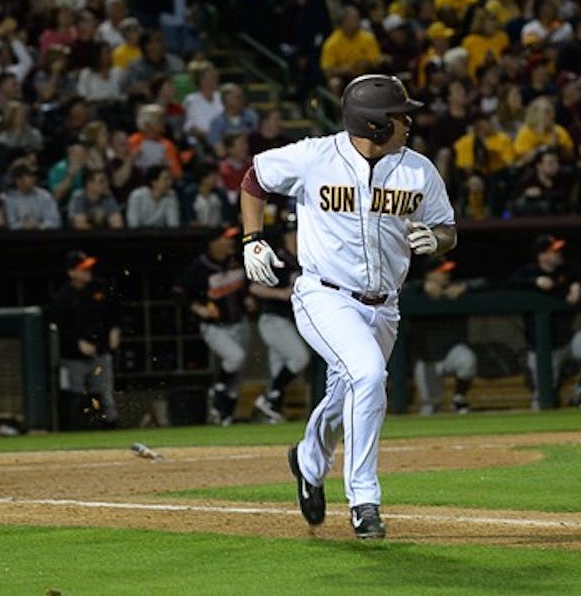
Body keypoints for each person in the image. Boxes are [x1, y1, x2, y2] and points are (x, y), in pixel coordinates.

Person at [240, 74, 456, 539]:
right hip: (324, 294)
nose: (408, 121)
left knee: (349, 394)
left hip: (385, 306)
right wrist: (252, 239)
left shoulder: (418, 169)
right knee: (368, 375)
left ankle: (307, 460)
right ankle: (364, 499)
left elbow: (447, 228)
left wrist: (435, 240)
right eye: (400, 115)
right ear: (375, 124)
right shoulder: (316, 156)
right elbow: (255, 178)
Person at [509, 235, 581, 409]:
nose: (559, 254)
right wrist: (534, 281)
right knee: (543, 401)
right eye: (553, 251)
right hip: (542, 351)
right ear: (542, 256)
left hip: (567, 340)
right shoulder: (529, 272)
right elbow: (507, 283)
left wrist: (578, 284)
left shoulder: (567, 269)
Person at [172, 227, 251, 427]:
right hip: (214, 326)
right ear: (213, 243)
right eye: (225, 239)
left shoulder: (236, 260)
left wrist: (249, 298)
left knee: (238, 373)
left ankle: (225, 415)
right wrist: (197, 307)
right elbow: (179, 292)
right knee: (236, 358)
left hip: (240, 323)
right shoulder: (199, 266)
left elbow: (248, 285)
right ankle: (218, 387)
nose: (229, 242)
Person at [247, 216, 310, 423]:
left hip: (289, 321)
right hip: (273, 319)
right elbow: (253, 287)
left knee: (279, 369)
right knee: (299, 358)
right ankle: (267, 399)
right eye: (291, 235)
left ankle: (270, 411)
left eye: (298, 234)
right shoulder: (278, 259)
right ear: (285, 238)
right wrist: (281, 293)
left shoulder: (306, 260)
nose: (295, 239)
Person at [49, 251, 122, 427]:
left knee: (104, 395)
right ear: (71, 272)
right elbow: (59, 327)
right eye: (83, 269)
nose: (88, 272)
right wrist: (77, 342)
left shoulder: (100, 288)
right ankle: (77, 431)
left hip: (100, 351)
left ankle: (109, 430)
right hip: (74, 357)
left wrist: (115, 329)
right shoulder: (63, 297)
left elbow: (115, 311)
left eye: (88, 268)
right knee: (76, 396)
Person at [409, 258, 477, 415]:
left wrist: (464, 287)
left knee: (467, 360)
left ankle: (459, 397)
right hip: (427, 359)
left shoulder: (455, 287)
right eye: (442, 272)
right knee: (430, 408)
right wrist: (422, 287)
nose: (447, 275)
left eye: (447, 271)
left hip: (451, 351)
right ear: (429, 275)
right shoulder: (416, 290)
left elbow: (487, 283)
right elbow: (400, 291)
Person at [1, 157, 61, 230]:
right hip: (17, 239)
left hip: (42, 237)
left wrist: (38, 226)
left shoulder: (45, 196)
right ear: (18, 179)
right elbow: (10, 225)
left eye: (34, 175)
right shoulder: (7, 198)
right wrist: (23, 226)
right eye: (29, 175)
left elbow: (55, 222)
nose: (34, 178)